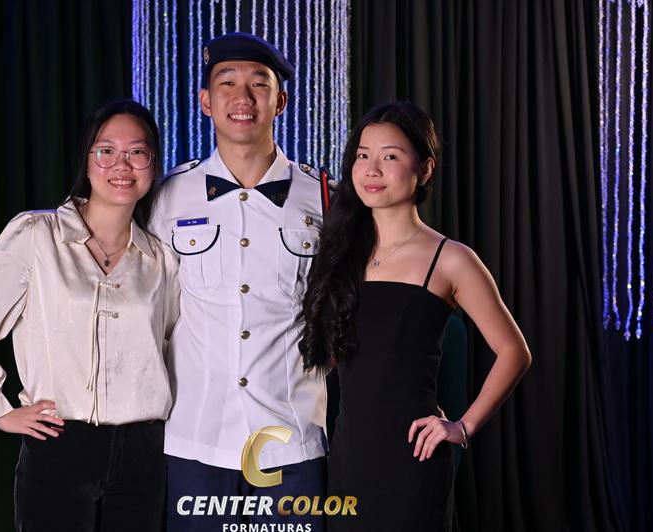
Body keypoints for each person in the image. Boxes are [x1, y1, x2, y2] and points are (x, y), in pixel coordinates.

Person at [0, 99, 178, 531]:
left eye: (137, 152)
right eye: (106, 151)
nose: (122, 165)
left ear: (153, 165)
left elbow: (176, 348)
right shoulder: (36, 235)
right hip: (60, 444)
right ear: (87, 160)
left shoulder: (160, 259)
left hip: (145, 452)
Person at [300, 101, 532, 531]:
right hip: (347, 455)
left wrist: (463, 427)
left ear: (424, 170)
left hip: (412, 458)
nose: (372, 169)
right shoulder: (342, 252)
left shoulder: (451, 258)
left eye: (390, 156)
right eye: (363, 155)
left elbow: (514, 352)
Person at [149, 32, 327, 530]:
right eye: (226, 83)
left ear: (280, 102)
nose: (242, 97)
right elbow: (151, 312)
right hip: (196, 442)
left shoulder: (324, 198)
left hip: (293, 442)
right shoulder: (168, 196)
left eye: (259, 84)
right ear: (205, 102)